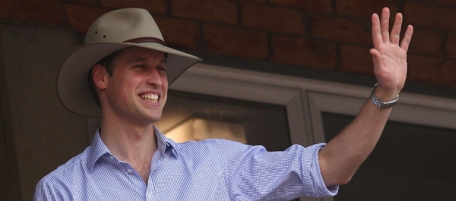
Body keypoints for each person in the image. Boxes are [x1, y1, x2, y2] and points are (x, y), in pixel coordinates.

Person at [33, 7, 413, 201]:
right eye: (139, 66)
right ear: (102, 78)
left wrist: (385, 93)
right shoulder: (64, 189)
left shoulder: (216, 164)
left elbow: (330, 167)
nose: (157, 80)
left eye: (162, 69)